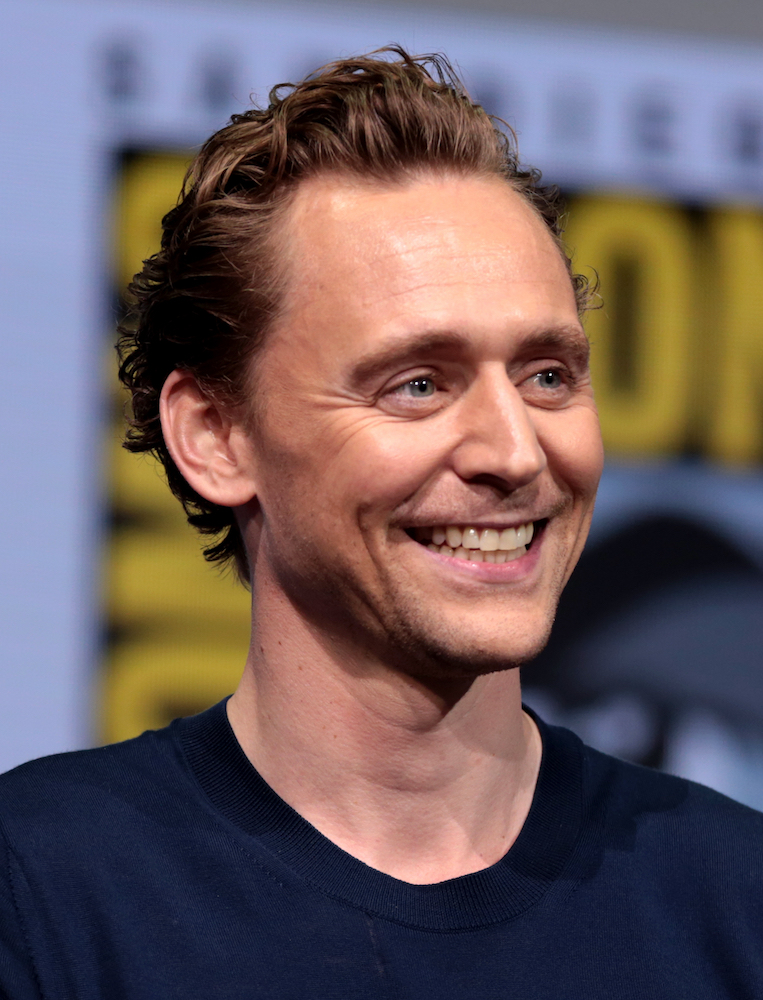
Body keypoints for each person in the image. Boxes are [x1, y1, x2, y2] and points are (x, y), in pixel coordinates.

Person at [1, 48, 761, 999]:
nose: (515, 452)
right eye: (417, 384)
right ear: (215, 437)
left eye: (546, 376)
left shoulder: (736, 901)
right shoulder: (41, 888)